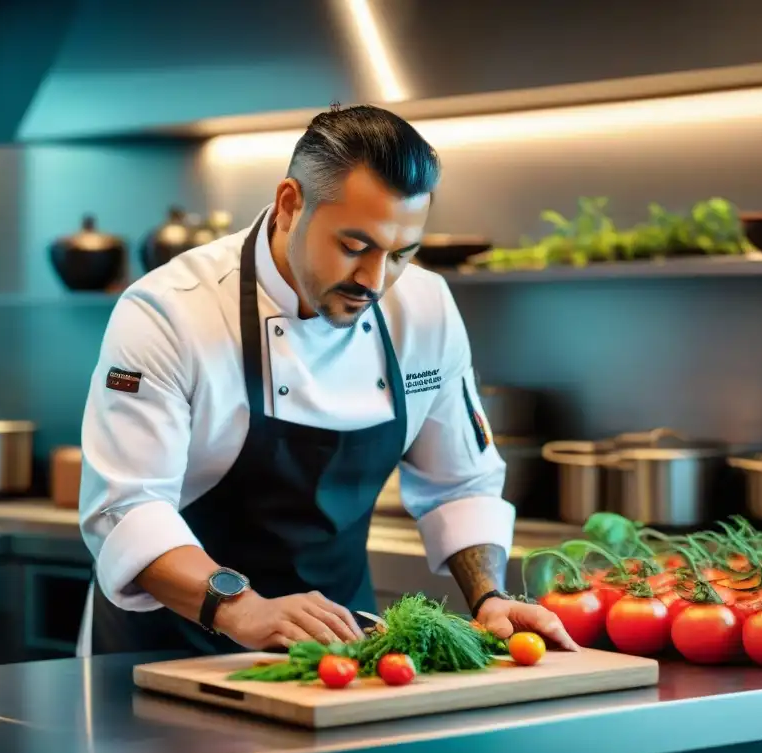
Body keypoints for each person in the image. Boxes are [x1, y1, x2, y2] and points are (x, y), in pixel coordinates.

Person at [77, 104, 578, 657]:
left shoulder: (426, 306)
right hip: (168, 646)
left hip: (339, 652)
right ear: (291, 205)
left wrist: (490, 597)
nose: (375, 280)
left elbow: (460, 483)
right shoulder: (170, 311)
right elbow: (126, 508)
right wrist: (243, 608)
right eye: (354, 247)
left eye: (401, 254)